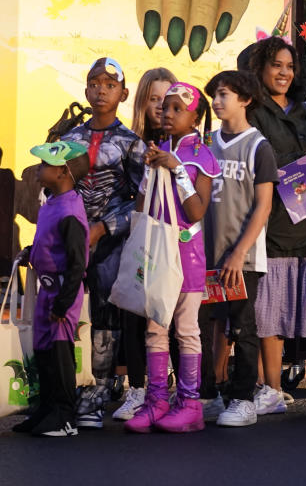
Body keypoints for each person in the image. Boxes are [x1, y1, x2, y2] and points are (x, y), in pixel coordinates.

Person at [244, 36, 306, 419]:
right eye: (276, 65)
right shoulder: (252, 111)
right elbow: (267, 160)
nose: (285, 73)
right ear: (259, 69)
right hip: (274, 223)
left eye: (289, 66)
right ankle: (271, 389)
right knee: (269, 310)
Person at [125, 82, 221, 433]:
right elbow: (142, 207)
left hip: (188, 257)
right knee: (154, 328)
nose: (166, 114)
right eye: (164, 107)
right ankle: (157, 401)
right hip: (155, 255)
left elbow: (196, 212)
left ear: (195, 117)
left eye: (176, 109)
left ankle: (190, 404)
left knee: (186, 330)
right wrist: (151, 173)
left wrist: (177, 168)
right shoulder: (155, 151)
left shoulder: (203, 157)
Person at [61, 58, 145, 428]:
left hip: (112, 243)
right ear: (85, 90)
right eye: (94, 83)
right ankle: (62, 388)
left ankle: (101, 388)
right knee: (63, 310)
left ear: (123, 94)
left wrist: (104, 228)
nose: (101, 90)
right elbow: (54, 189)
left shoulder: (132, 145)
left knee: (106, 312)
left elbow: (143, 201)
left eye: (110, 85)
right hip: (70, 238)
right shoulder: (69, 140)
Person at [200, 70, 276, 427]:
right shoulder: (206, 142)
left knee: (243, 327)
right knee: (201, 326)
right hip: (206, 254)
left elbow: (263, 206)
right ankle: (208, 395)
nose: (216, 101)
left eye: (224, 94)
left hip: (241, 258)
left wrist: (238, 252)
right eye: (214, 94)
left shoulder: (259, 146)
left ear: (245, 99)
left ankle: (244, 398)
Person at [12, 141, 91, 437]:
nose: (40, 169)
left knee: (60, 354)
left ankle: (64, 416)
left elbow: (76, 262)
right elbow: (49, 241)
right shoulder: (51, 202)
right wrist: (30, 252)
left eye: (45, 165)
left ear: (62, 172)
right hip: (47, 291)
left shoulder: (70, 210)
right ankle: (46, 409)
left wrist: (63, 303)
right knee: (43, 352)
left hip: (61, 294)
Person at [115, 67, 177, 421]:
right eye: (153, 99)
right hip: (137, 235)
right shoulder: (131, 142)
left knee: (171, 316)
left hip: (174, 240)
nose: (160, 107)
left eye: (166, 100)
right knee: (134, 311)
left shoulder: (183, 144)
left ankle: (169, 387)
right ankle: (135, 388)